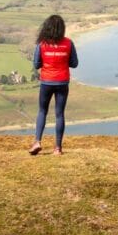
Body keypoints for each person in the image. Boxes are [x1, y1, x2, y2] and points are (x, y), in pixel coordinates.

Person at [29, 14, 78, 156]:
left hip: (46, 82)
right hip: (62, 82)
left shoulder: (42, 44)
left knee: (42, 111)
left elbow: (37, 64)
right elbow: (74, 64)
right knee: (59, 114)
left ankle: (37, 141)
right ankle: (57, 148)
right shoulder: (68, 43)